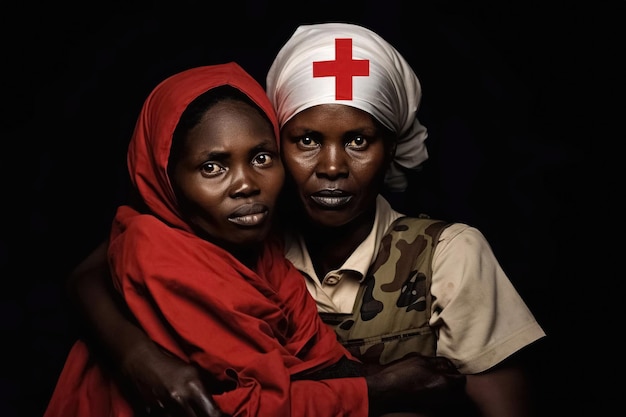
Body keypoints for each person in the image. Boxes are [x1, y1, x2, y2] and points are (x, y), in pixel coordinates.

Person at [63, 23, 546, 417]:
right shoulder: (236, 231)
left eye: (359, 140)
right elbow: (100, 264)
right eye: (305, 141)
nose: (332, 167)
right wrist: (133, 355)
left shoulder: (448, 254)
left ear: (391, 148)